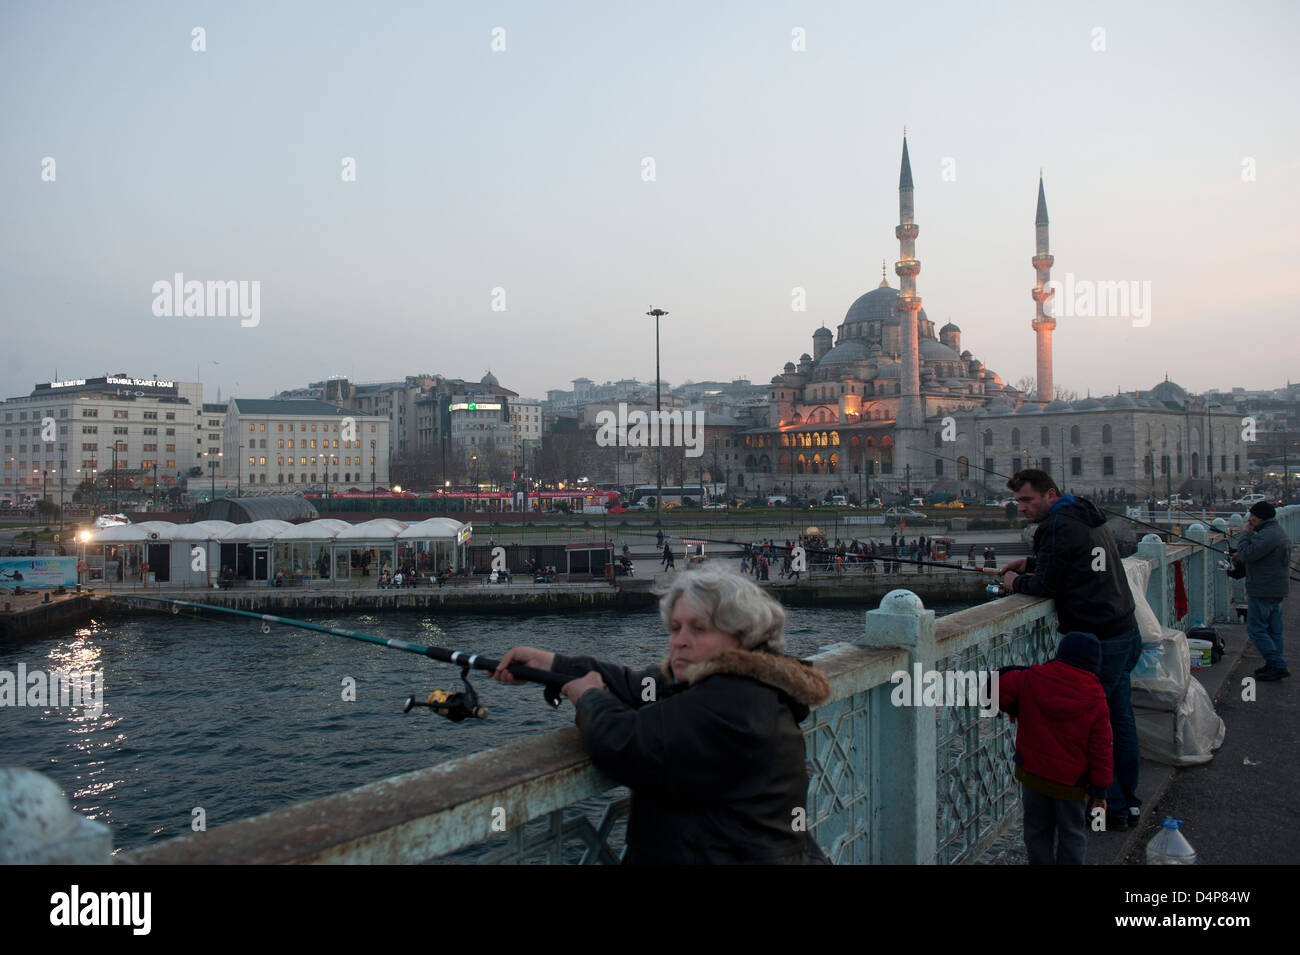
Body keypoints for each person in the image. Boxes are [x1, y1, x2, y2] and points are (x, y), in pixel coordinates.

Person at [492, 566, 833, 863]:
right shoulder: (749, 682)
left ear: (741, 637)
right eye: (675, 628)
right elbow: (637, 687)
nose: (678, 642)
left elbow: (623, 742)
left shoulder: (732, 701)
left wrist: (590, 698)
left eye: (698, 629)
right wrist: (553, 665)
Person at [997, 469, 1142, 832]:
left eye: (1028, 500)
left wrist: (1017, 581)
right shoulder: (1085, 514)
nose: (1023, 508)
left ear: (1050, 494)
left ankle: (1110, 809)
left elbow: (1048, 586)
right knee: (1119, 720)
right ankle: (1127, 802)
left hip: (1096, 642)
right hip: (1124, 629)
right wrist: (1031, 563)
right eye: (1018, 502)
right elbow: (1078, 564)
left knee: (1097, 728)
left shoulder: (1057, 525)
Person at [996, 632, 1112, 865]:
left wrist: (1014, 706)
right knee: (1072, 833)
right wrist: (1100, 792)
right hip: (1071, 784)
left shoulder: (1031, 679)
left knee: (1037, 830)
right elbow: (1102, 750)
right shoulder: (1096, 697)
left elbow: (995, 686)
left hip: (1033, 775)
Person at [1231, 501, 1291, 680]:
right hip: (1276, 588)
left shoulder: (1267, 535)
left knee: (1256, 629)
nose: (1250, 520)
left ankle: (1278, 665)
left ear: (1257, 517)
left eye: (1251, 517)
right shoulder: (1276, 532)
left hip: (1263, 589)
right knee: (1274, 630)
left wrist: (1246, 533)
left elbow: (1246, 553)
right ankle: (1273, 664)